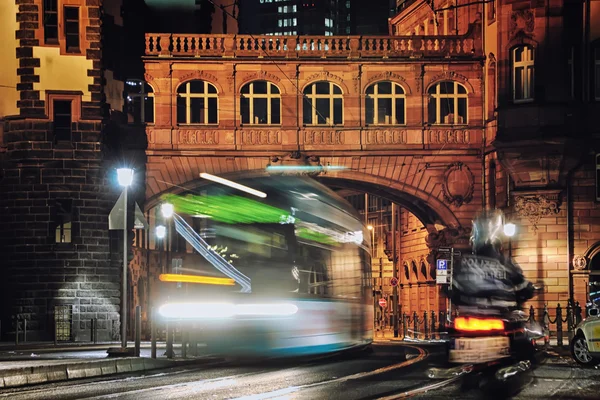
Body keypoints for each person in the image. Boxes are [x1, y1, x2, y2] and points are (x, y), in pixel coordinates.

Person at [450, 210, 535, 311]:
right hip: (501, 312)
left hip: (470, 314)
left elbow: (451, 289)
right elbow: (522, 287)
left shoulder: (463, 262)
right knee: (529, 326)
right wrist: (528, 290)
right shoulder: (505, 263)